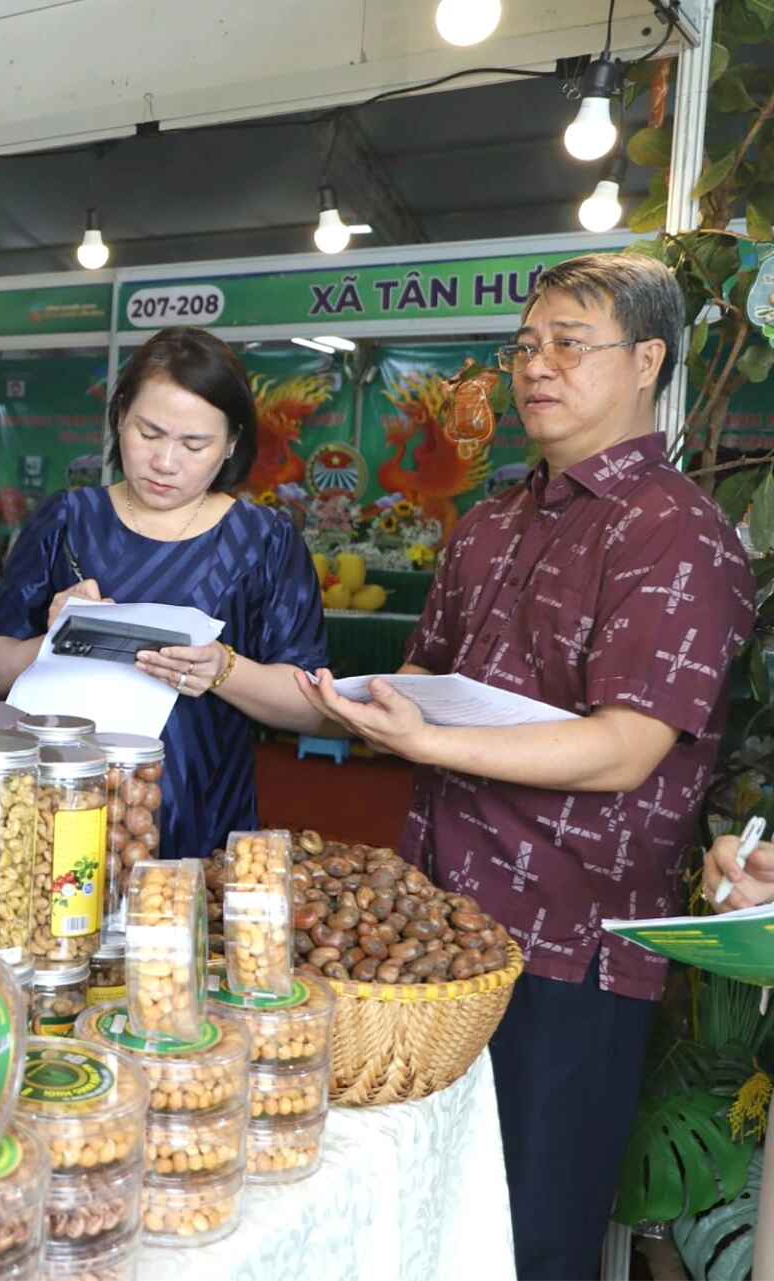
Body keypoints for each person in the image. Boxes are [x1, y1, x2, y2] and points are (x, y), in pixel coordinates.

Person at [298, 253, 755, 1281]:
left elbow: (623, 749)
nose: (536, 366)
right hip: (439, 932)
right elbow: (423, 677)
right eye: (525, 345)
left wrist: (425, 739)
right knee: (425, 1215)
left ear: (646, 361)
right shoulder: (494, 521)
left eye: (568, 343)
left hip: (570, 945)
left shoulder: (676, 534)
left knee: (534, 1237)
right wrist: (330, 696)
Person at [0, 327, 330, 863]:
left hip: (204, 814)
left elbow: (314, 708)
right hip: (61, 814)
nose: (165, 461)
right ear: (120, 417)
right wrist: (53, 639)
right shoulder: (67, 520)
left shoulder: (264, 541)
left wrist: (224, 670)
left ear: (232, 443)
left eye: (194, 444)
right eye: (149, 433)